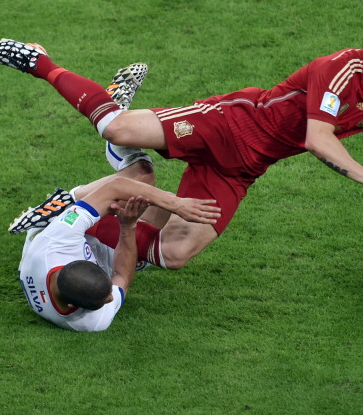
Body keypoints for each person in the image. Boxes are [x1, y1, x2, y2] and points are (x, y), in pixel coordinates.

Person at [0, 32, 363, 272]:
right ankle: (40, 62)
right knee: (119, 127)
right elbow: (317, 138)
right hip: (227, 124)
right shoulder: (341, 69)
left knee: (173, 252)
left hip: (244, 168)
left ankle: (99, 194)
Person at [15, 142, 221, 332]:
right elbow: (122, 276)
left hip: (58, 227)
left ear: (79, 261)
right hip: (96, 248)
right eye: (106, 299)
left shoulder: (55, 244)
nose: (111, 298)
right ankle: (217, 169)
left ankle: (68, 200)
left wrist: (177, 205)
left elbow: (115, 187)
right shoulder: (93, 322)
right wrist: (128, 226)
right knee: (173, 247)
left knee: (141, 175)